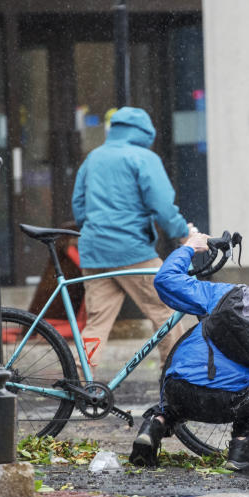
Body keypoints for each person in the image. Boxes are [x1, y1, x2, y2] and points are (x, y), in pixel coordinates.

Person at [129, 232, 249, 472]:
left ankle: (154, 425)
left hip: (178, 390)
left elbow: (165, 280)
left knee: (185, 375)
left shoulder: (228, 293)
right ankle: (242, 447)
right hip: (229, 403)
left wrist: (188, 249)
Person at [71, 106, 193, 368]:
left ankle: (80, 379)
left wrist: (99, 229)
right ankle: (176, 379)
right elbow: (162, 205)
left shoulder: (93, 157)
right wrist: (183, 234)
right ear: (145, 132)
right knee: (167, 312)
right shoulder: (143, 158)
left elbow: (79, 206)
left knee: (97, 322)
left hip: (94, 253)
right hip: (132, 252)